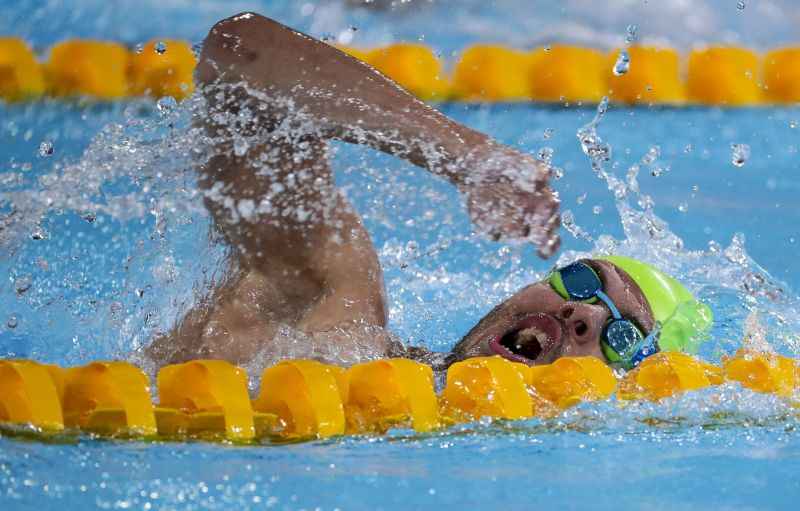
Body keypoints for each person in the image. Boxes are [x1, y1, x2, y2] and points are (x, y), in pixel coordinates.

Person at [146, 12, 711, 371]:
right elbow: (239, 50)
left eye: (620, 336)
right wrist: (465, 157)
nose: (579, 311)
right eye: (584, 279)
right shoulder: (331, 318)